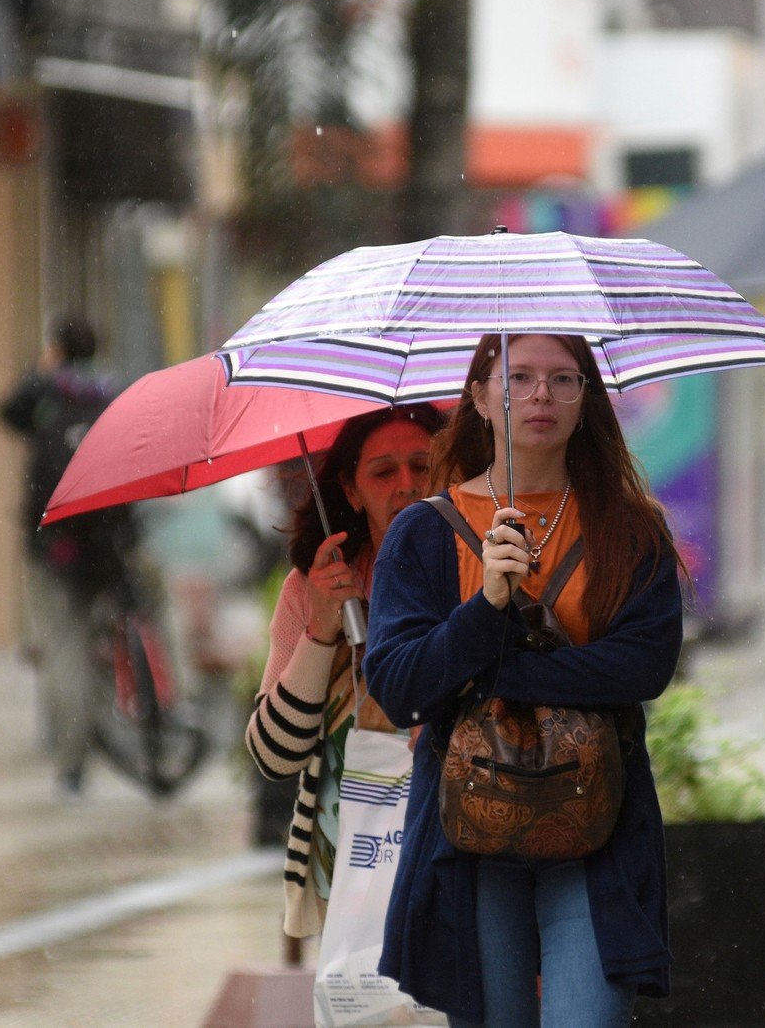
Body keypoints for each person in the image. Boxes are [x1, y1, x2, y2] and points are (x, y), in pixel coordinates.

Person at [363, 333, 685, 1026]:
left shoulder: (630, 530)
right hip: (468, 829)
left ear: (585, 399)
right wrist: (485, 609)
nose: (541, 394)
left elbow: (642, 665)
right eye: (519, 377)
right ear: (479, 396)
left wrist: (497, 669)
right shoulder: (423, 532)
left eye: (563, 379)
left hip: (597, 820)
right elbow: (397, 685)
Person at [244, 404, 445, 938]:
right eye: (383, 471)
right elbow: (274, 756)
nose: (406, 484)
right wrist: (320, 629)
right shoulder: (310, 588)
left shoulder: (482, 570)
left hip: (464, 850)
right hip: (357, 872)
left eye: (422, 466)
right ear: (351, 493)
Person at [0, 316, 126, 796]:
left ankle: (72, 762)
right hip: (103, 543)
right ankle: (104, 727)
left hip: (52, 543)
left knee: (63, 648)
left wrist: (44, 370)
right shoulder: (109, 394)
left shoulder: (45, 395)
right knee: (96, 641)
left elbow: (6, 411)